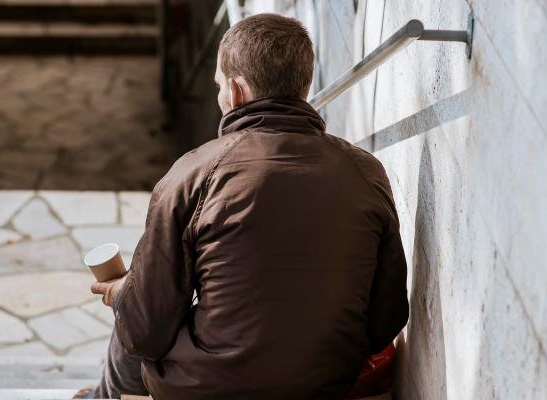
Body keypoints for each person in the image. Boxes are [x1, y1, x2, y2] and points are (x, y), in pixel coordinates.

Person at [84, 13, 409, 400]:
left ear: (236, 92)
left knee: (135, 311)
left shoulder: (193, 172)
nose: (220, 96)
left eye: (219, 86)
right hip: (325, 384)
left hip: (206, 390)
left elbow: (146, 335)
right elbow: (386, 317)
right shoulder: (366, 172)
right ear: (302, 87)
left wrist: (123, 293)